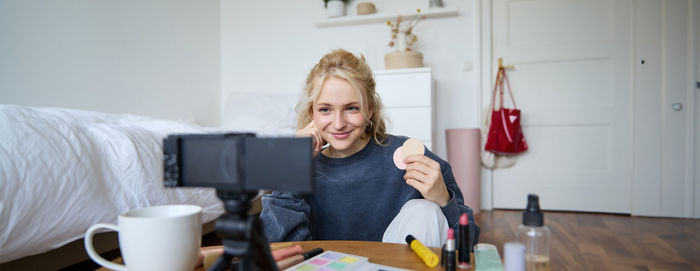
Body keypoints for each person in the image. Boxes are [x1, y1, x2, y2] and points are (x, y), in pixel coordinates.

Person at [260, 49, 479, 248]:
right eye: (325, 109)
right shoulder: (301, 166)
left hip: (394, 264)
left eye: (352, 108)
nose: (338, 123)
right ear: (312, 112)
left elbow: (468, 246)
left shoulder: (409, 156)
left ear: (371, 109)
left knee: (426, 211)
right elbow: (275, 249)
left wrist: (443, 199)